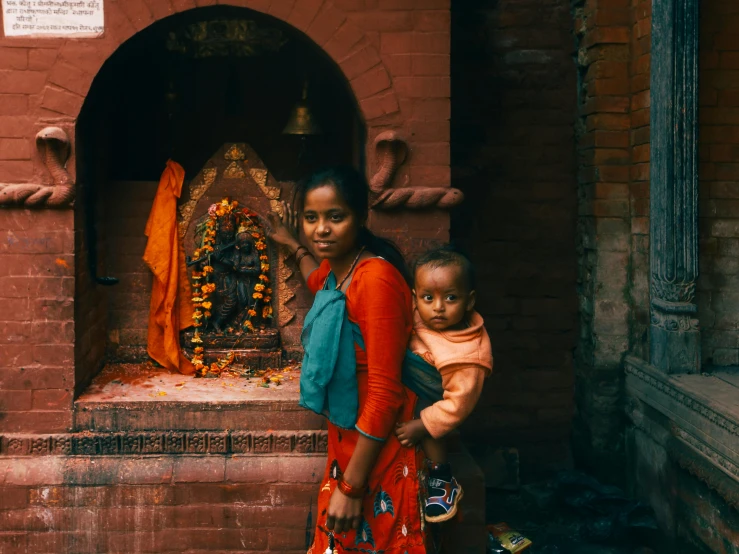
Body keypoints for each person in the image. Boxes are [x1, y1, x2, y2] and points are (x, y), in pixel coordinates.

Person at [267, 166, 427, 554]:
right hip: (348, 445)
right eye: (311, 218)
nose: (321, 229)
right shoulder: (338, 272)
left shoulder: (375, 280)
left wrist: (352, 488)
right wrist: (292, 244)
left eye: (335, 217)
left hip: (382, 449)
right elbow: (316, 281)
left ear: (360, 217)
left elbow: (386, 391)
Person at [395, 247, 493, 523]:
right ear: (415, 298)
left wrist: (421, 425)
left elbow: (458, 405)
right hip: (407, 381)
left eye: (451, 297)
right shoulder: (416, 312)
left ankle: (443, 478)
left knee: (430, 419)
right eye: (428, 297)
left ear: (469, 301)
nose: (438, 307)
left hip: (441, 400)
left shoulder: (469, 356)